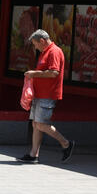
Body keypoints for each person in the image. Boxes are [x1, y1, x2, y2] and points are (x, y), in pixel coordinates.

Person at [18, 29, 74, 164]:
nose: (35, 47)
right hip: (40, 93)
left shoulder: (54, 51)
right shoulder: (46, 51)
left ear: (42, 41)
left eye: (35, 44)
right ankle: (33, 155)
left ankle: (66, 144)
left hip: (47, 94)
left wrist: (34, 73)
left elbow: (54, 73)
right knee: (35, 124)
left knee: (41, 124)